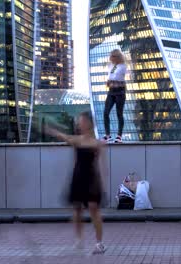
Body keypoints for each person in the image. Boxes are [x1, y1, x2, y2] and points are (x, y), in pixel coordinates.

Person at [45, 111, 106, 254]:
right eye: (79, 122)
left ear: (90, 123)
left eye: (83, 121)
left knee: (93, 209)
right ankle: (79, 240)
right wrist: (51, 130)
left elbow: (103, 166)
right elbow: (63, 136)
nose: (80, 124)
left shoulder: (98, 143)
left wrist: (102, 182)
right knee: (77, 210)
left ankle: (99, 243)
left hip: (92, 179)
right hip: (78, 177)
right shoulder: (77, 140)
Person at [103, 49, 127, 143]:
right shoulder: (111, 66)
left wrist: (110, 80)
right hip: (111, 91)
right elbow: (110, 76)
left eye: (112, 56)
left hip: (120, 92)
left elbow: (117, 77)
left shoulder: (123, 66)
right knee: (106, 112)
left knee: (119, 114)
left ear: (117, 57)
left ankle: (119, 136)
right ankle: (107, 135)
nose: (110, 58)